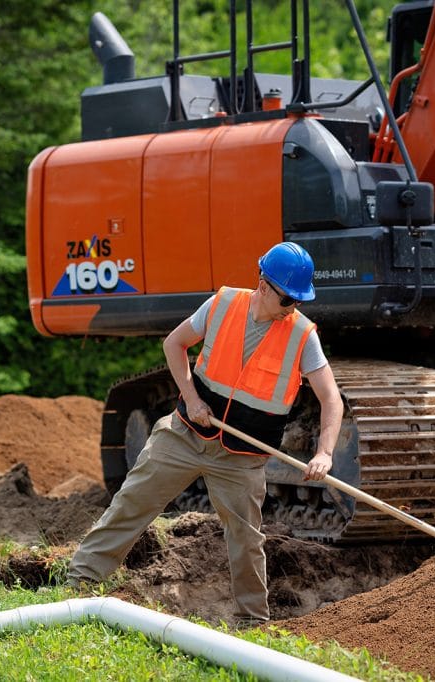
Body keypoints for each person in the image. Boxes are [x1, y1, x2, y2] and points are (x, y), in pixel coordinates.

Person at [67, 242, 344, 627]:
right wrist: (192, 397)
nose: (292, 307)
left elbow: (331, 399)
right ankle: (78, 583)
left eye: (299, 300)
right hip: (185, 434)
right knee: (131, 502)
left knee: (246, 540)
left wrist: (325, 452)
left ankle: (252, 622)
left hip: (241, 457)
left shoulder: (301, 334)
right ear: (264, 285)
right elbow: (174, 344)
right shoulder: (222, 304)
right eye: (287, 299)